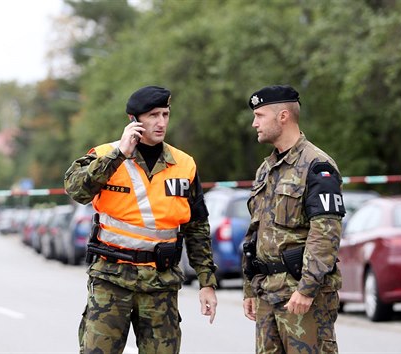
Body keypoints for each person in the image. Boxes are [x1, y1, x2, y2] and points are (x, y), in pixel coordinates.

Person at [64, 85, 218, 354]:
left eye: (165, 114)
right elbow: (77, 190)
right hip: (111, 281)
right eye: (153, 115)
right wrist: (119, 154)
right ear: (133, 120)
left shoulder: (184, 164)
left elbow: (197, 227)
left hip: (161, 283)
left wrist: (207, 282)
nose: (161, 123)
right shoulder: (104, 155)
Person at [241, 85, 345, 354]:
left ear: (283, 116)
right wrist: (250, 287)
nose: (254, 123)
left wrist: (307, 289)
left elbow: (326, 234)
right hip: (267, 291)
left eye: (260, 115)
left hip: (300, 294)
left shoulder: (317, 166)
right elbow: (255, 232)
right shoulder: (266, 169)